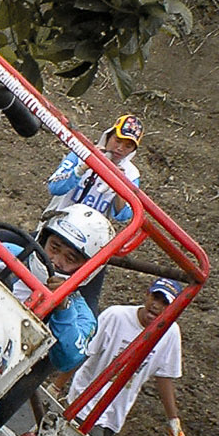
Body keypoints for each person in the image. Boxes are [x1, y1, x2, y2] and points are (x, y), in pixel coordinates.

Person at [0, 205, 111, 436]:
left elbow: (68, 359)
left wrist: (62, 308)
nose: (56, 261)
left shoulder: (80, 314)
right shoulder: (5, 253)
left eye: (70, 258)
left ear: (85, 269)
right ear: (44, 239)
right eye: (54, 248)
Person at [58, 278, 185, 436]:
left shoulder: (170, 335)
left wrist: (173, 420)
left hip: (115, 412)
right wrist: (57, 386)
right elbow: (84, 351)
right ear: (146, 294)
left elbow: (164, 376)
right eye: (155, 297)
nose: (156, 306)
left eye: (165, 303)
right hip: (85, 402)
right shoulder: (116, 317)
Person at [44, 114, 143, 308]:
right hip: (55, 229)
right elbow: (54, 187)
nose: (120, 149)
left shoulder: (131, 174)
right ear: (109, 135)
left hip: (88, 246)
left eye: (128, 146)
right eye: (118, 140)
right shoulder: (81, 151)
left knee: (88, 303)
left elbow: (124, 215)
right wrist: (83, 166)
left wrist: (120, 186)